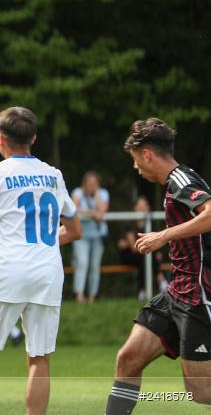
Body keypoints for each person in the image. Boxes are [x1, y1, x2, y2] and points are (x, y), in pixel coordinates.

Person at [0, 107, 81, 415]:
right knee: (39, 357)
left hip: (9, 269)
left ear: (0, 139)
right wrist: (46, 240)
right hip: (48, 271)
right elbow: (75, 230)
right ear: (33, 138)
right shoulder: (54, 174)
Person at [104, 118, 211, 413]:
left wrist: (163, 236)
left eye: (137, 160)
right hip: (177, 291)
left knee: (201, 392)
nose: (136, 167)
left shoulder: (181, 179)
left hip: (196, 294)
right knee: (128, 358)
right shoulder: (173, 182)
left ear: (148, 154)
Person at [117, 197, 166, 301]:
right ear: (135, 208)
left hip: (144, 254)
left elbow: (157, 242)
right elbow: (134, 247)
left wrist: (155, 250)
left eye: (145, 206)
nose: (142, 208)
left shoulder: (151, 224)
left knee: (146, 258)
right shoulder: (129, 224)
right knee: (147, 257)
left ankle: (142, 290)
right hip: (130, 255)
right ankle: (160, 278)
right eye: (140, 206)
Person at [71, 171, 110, 303]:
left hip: (98, 235)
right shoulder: (77, 193)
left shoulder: (103, 193)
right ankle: (79, 295)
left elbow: (102, 210)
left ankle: (92, 296)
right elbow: (73, 209)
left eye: (94, 184)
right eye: (89, 183)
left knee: (95, 266)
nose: (91, 186)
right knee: (82, 263)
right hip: (81, 234)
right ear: (84, 183)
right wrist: (91, 213)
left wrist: (96, 194)